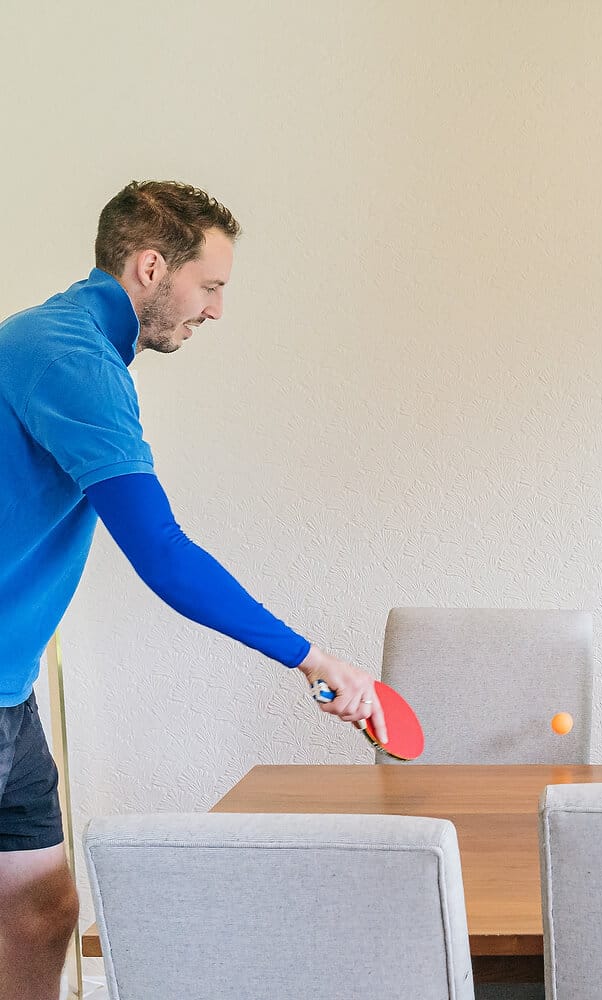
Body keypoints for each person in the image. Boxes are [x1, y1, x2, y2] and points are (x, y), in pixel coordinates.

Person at [0, 181, 386, 1000]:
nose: (214, 310)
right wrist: (313, 659)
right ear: (150, 267)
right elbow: (165, 558)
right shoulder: (73, 360)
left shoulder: (62, 342)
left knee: (40, 911)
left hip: (10, 692)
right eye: (209, 286)